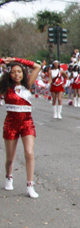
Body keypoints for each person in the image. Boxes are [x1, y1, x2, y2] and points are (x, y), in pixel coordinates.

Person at [1, 57, 41, 198]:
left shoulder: (27, 85)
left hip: (27, 123)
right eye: (13, 72)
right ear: (9, 74)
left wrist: (16, 59)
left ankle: (30, 185)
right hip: (10, 123)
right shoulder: (5, 88)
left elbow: (37, 66)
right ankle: (9, 177)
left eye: (19, 71)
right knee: (10, 158)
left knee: (29, 153)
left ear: (23, 73)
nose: (17, 74)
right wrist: (3, 61)